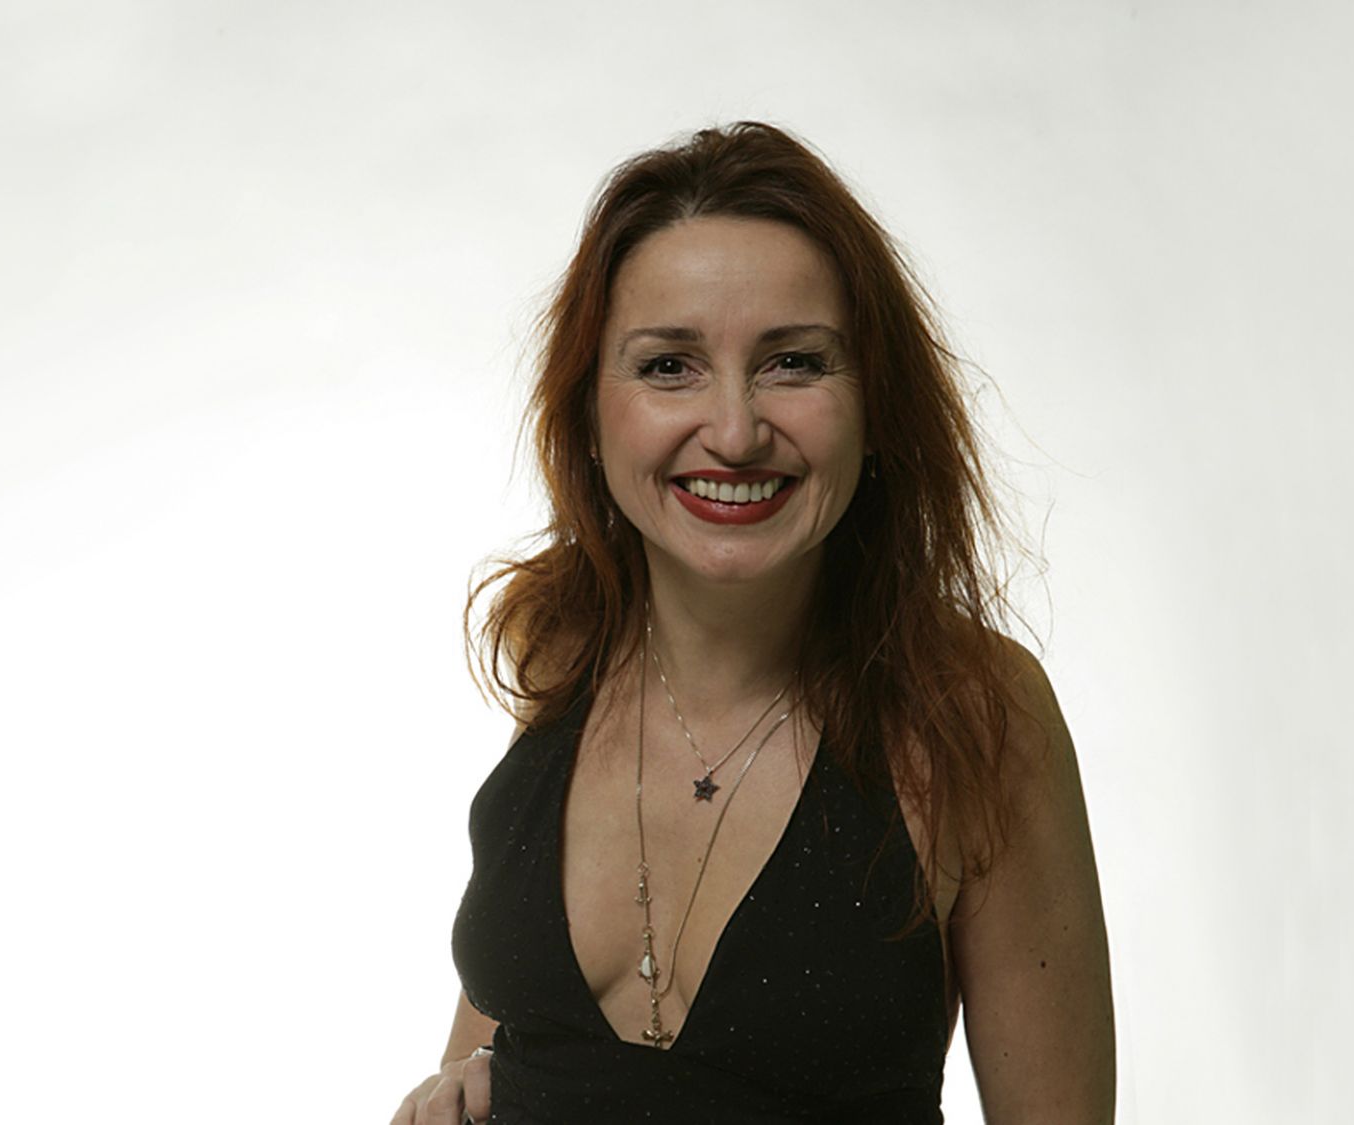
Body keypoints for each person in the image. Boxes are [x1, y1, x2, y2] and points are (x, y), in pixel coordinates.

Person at [390, 122, 1114, 1125]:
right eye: (667, 367)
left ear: (876, 408)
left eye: (794, 363)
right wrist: (455, 1079)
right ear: (590, 412)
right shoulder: (560, 646)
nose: (733, 432)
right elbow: (506, 1032)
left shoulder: (973, 712)